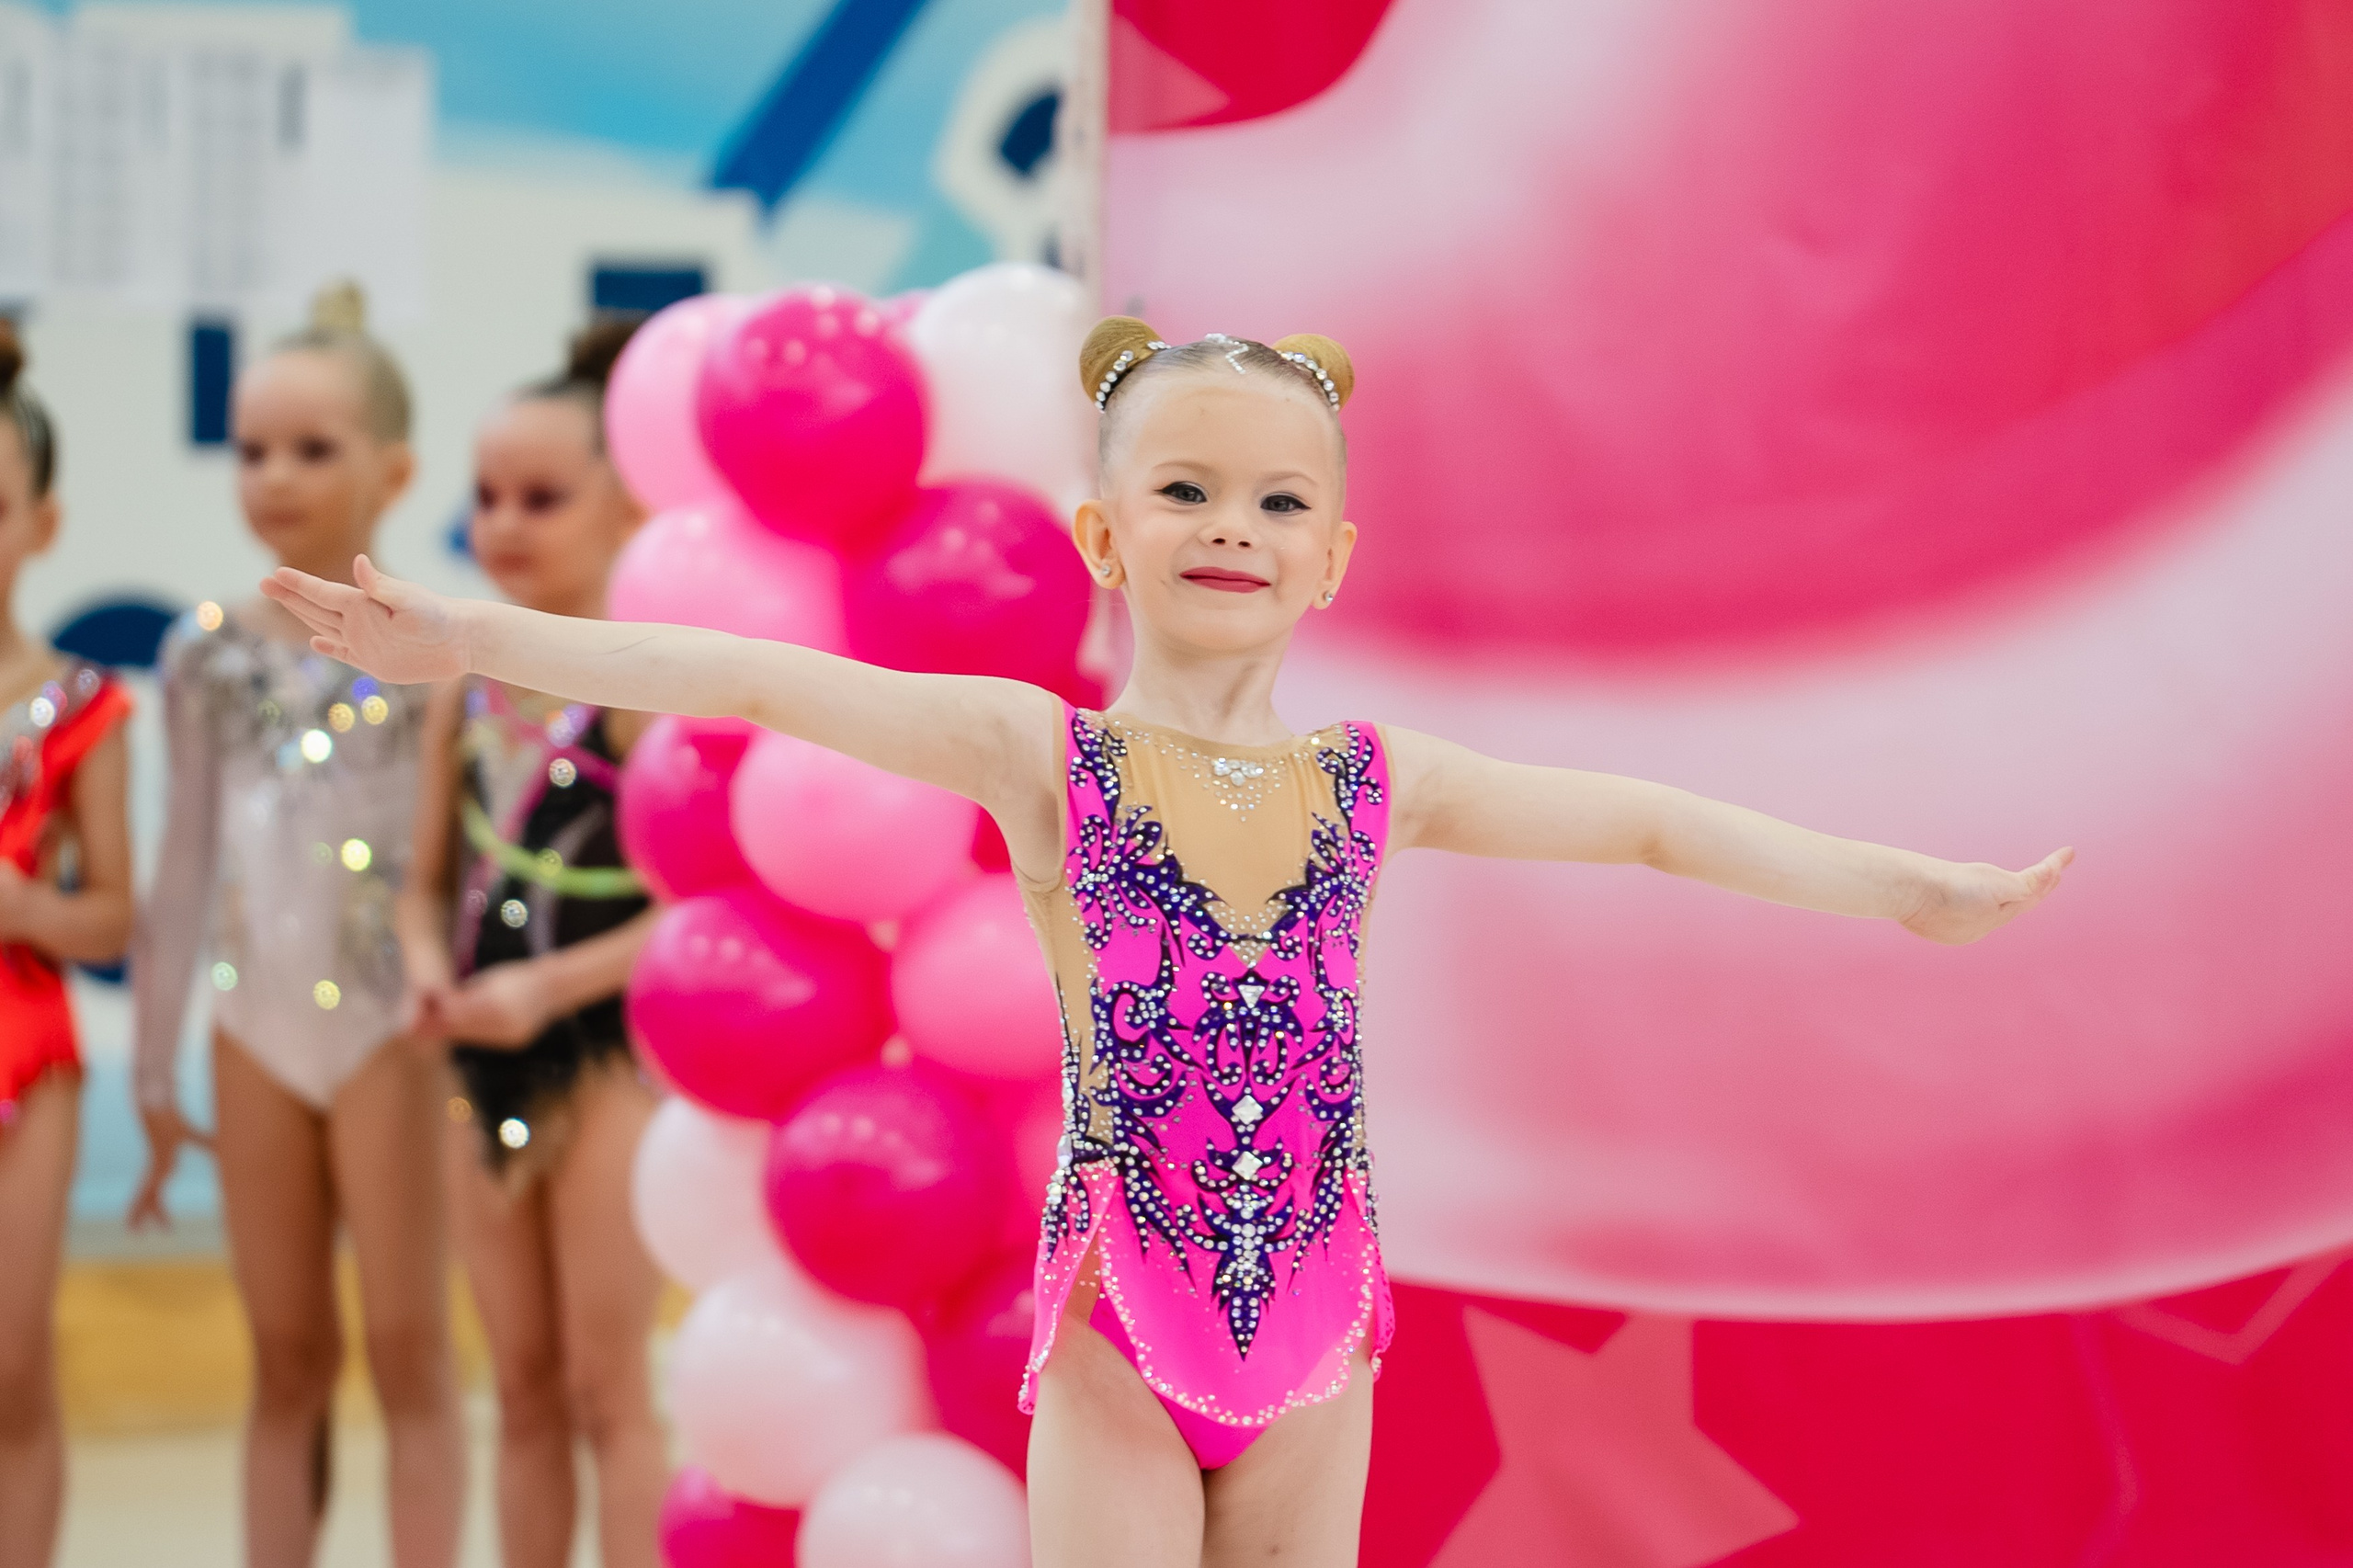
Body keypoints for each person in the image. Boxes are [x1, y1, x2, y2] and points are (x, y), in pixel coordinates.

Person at [262, 315, 2074, 1568]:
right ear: (1102, 535)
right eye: (1188, 489)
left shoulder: (1379, 779)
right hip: (1120, 1323)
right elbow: (742, 674)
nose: (1233, 525)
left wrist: (1893, 888)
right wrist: (475, 638)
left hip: (1320, 1327)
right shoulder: (1038, 752)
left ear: (1332, 556)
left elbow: (1651, 822)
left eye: (1278, 501)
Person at [132, 284, 462, 1568]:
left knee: (407, 1348)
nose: (274, 476)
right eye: (252, 449)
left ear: (394, 469)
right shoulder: (204, 650)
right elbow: (183, 862)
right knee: (286, 1355)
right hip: (251, 1023)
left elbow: (437, 868)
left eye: (312, 449)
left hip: (387, 1023)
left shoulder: (438, 645)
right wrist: (157, 1064)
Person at [392, 318, 665, 1568]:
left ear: (626, 502)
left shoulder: (648, 691)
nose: (504, 523)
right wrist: (426, 968)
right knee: (521, 1388)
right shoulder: (466, 682)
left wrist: (548, 984)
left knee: (609, 1387)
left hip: (605, 1055)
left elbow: (685, 912)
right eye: (487, 495)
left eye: (542, 496)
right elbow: (421, 882)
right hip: (479, 1059)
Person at [0, 323, 134, 1568]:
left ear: (42, 524)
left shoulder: (82, 702)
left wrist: (31, 909)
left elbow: (114, 918)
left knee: (12, 1360)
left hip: (21, 1056)